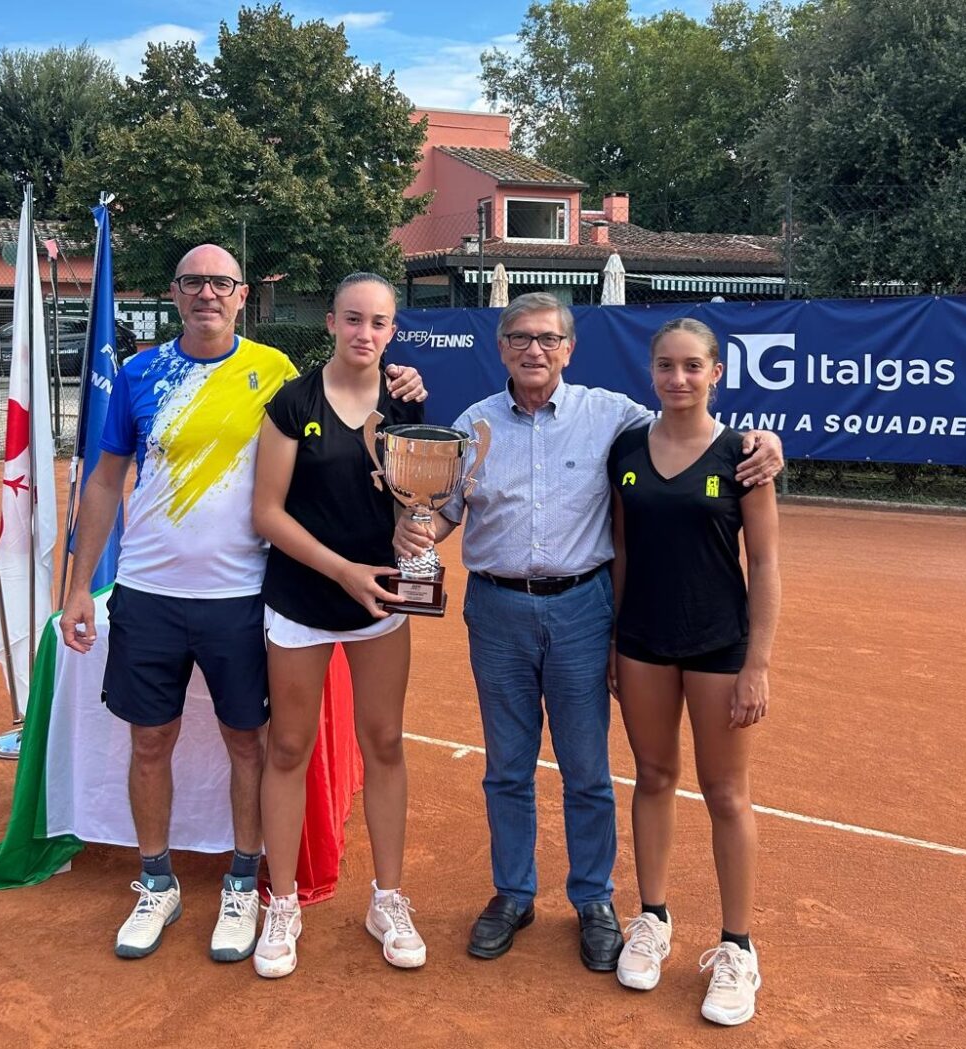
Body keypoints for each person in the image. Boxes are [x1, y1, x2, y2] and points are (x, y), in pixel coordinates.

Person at [394, 292, 782, 973]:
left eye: (548, 338)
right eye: (520, 337)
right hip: (497, 611)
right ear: (501, 347)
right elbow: (446, 510)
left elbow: (689, 427)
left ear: (570, 349)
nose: (534, 349)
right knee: (507, 766)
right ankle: (514, 893)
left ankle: (594, 899)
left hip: (583, 610)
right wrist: (419, 527)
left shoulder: (614, 417)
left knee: (586, 769)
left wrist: (765, 441)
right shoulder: (471, 426)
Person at [59, 246, 424, 963]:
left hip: (241, 594)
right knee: (150, 742)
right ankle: (156, 882)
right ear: (174, 292)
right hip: (149, 590)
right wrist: (78, 585)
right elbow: (104, 482)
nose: (207, 293)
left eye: (220, 283)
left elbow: (355, 418)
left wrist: (404, 379)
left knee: (251, 744)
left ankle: (245, 883)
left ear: (242, 294)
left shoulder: (276, 373)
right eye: (193, 281)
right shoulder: (138, 373)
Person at [250, 272, 426, 979]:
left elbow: (419, 500)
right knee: (289, 747)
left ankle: (388, 899)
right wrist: (343, 570)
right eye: (353, 319)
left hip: (380, 603)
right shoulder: (293, 403)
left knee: (384, 743)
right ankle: (283, 901)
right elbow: (267, 513)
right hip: (301, 600)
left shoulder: (408, 401)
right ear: (330, 322)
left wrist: (417, 530)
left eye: (379, 323)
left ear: (393, 331)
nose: (365, 333)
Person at [607, 317, 779, 1026]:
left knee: (726, 792)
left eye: (691, 366)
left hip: (719, 647)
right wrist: (615, 638)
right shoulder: (625, 448)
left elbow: (764, 562)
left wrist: (757, 663)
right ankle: (652, 918)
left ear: (715, 373)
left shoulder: (744, 454)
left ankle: (738, 946)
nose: (678, 378)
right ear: (651, 372)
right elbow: (620, 550)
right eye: (665, 366)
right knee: (652, 777)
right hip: (642, 642)